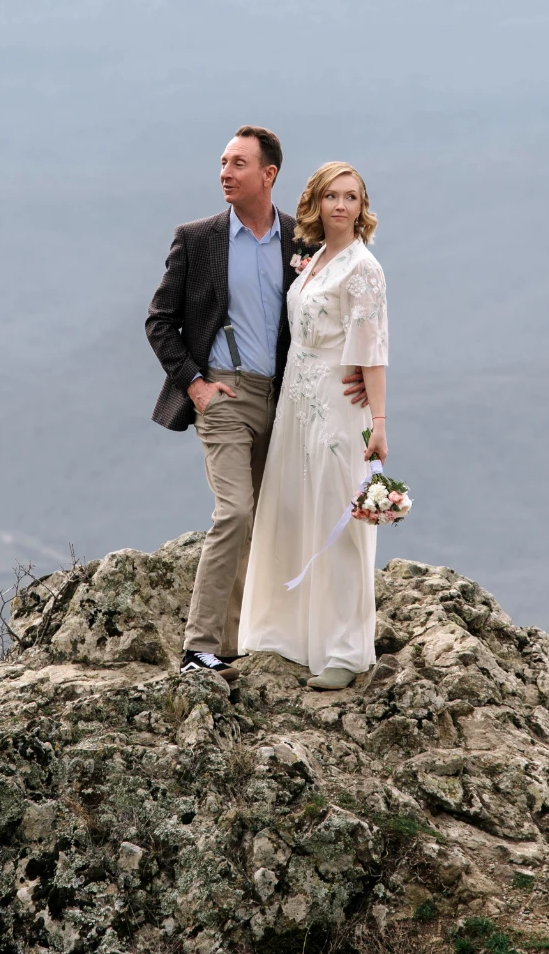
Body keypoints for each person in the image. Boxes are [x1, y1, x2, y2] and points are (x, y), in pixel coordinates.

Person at [146, 128, 366, 678]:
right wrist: (196, 385)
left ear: (269, 174)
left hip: (288, 400)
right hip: (223, 393)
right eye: (223, 162)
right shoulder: (197, 239)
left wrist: (358, 373)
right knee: (236, 512)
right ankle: (199, 647)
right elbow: (159, 321)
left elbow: (336, 309)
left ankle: (240, 640)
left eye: (238, 163)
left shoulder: (301, 241)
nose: (225, 172)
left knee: (269, 519)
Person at [239, 161, 389, 691]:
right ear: (317, 203)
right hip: (296, 402)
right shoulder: (315, 257)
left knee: (337, 518)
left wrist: (378, 421)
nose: (341, 205)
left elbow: (373, 348)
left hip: (337, 405)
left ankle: (345, 650)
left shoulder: (363, 268)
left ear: (362, 207)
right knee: (292, 509)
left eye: (351, 196)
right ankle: (290, 632)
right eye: (332, 196)